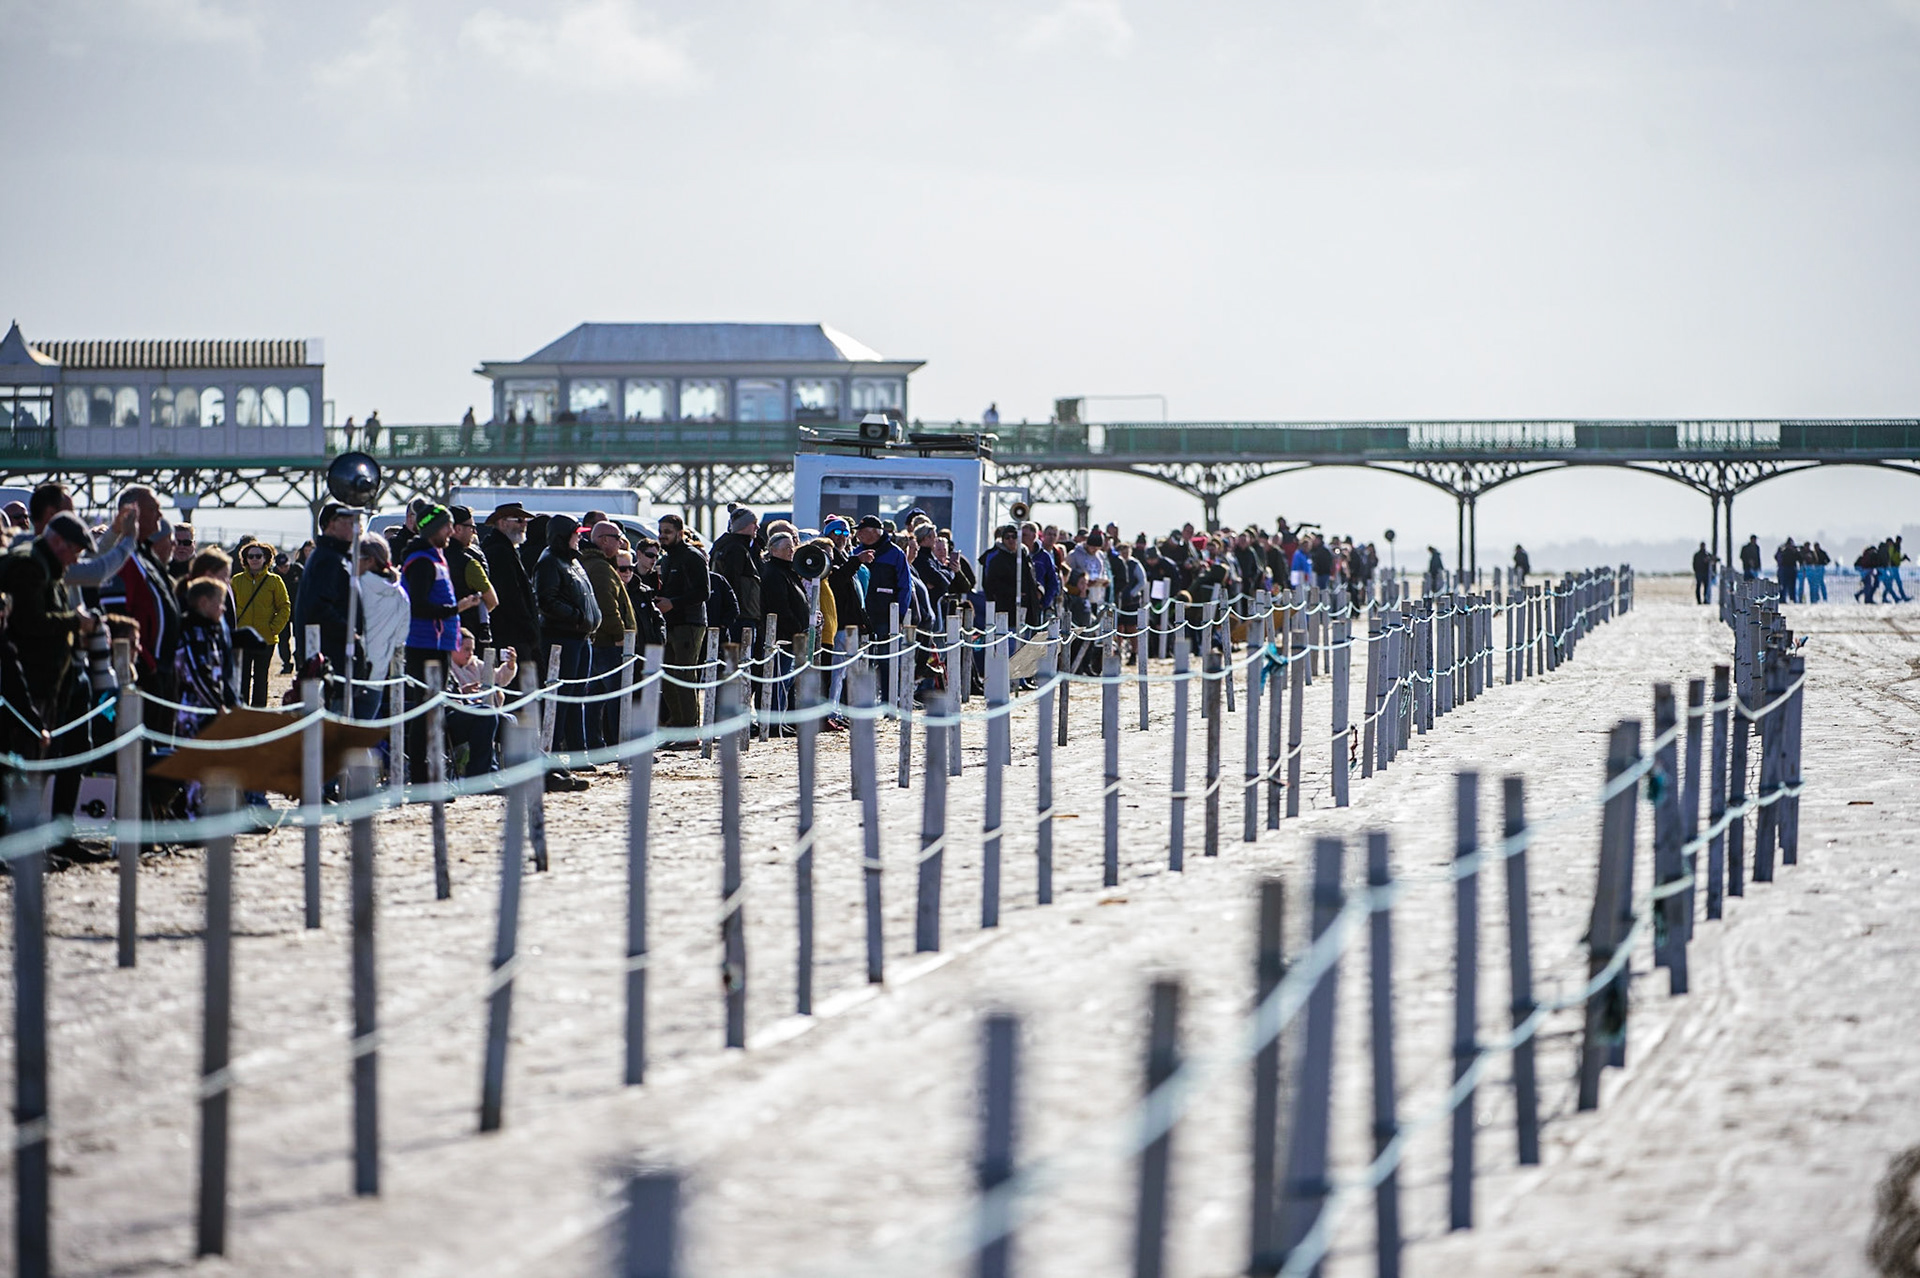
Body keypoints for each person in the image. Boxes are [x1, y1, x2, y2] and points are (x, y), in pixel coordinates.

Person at [401, 505, 482, 780]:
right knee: (425, 714)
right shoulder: (422, 560)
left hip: (439, 645)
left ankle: (432, 774)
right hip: (425, 646)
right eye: (447, 526)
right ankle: (422, 777)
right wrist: (455, 609)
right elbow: (418, 605)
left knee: (434, 713)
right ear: (435, 529)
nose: (452, 531)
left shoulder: (437, 557)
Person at [534, 514, 601, 758]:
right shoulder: (550, 562)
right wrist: (577, 616)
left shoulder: (572, 560)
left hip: (580, 639)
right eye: (576, 533)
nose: (580, 537)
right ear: (564, 535)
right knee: (562, 699)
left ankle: (577, 752)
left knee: (577, 697)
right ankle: (553, 753)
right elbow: (546, 600)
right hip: (561, 639)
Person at [293, 502, 359, 698]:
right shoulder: (328, 559)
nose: (354, 527)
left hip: (333, 653)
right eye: (348, 521)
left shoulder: (333, 556)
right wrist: (350, 633)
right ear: (331, 524)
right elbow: (318, 607)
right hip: (331, 657)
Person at [581, 520, 638, 749]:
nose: (621, 542)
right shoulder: (601, 568)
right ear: (604, 540)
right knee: (616, 696)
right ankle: (619, 744)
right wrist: (620, 634)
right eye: (616, 538)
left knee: (595, 698)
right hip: (609, 643)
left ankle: (595, 742)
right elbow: (607, 606)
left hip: (599, 642)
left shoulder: (593, 563)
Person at [653, 514, 709, 737]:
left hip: (689, 623)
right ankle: (676, 723)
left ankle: (689, 729)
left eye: (667, 532)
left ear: (680, 532)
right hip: (670, 623)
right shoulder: (665, 559)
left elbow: (703, 592)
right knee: (668, 676)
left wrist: (673, 604)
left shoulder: (692, 557)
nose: (662, 536)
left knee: (685, 676)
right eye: (661, 531)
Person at [446, 627, 516, 776]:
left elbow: (498, 677)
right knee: (486, 715)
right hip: (453, 714)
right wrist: (463, 692)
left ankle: (520, 774)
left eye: (472, 649)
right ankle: (481, 775)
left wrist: (509, 666)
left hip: (476, 710)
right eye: (466, 649)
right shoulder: (445, 666)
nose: (470, 653)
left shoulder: (476, 665)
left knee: (509, 720)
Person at [355, 535, 411, 720]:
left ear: (369, 561)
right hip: (377, 673)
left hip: (350, 669)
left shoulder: (357, 585)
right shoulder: (400, 593)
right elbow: (400, 638)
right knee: (363, 736)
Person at [231, 541, 291, 706]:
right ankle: (241, 712)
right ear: (245, 559)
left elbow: (284, 606)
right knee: (241, 679)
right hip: (242, 639)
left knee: (261, 679)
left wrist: (274, 628)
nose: (255, 559)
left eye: (259, 556)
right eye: (251, 556)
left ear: (266, 558)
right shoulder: (236, 581)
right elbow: (229, 607)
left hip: (266, 639)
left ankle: (258, 713)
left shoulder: (274, 581)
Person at [446, 505, 498, 652]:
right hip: (468, 639)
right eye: (471, 527)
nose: (474, 532)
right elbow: (492, 600)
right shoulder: (469, 563)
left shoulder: (431, 557)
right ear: (457, 529)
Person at [710, 507, 764, 645]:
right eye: (754, 523)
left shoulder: (722, 545)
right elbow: (732, 582)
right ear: (744, 525)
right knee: (740, 658)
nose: (757, 526)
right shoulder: (737, 549)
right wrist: (732, 612)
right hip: (741, 615)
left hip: (732, 614)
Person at [275, 549, 304, 672]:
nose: (284, 569)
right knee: (283, 638)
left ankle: (300, 662)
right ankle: (286, 663)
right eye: (281, 567)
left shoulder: (297, 569)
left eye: (286, 566)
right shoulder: (274, 574)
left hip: (298, 608)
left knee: (299, 636)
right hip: (282, 609)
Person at [1774, 537, 1799, 602]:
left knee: (1792, 586)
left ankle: (1793, 599)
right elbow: (1777, 557)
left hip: (1792, 568)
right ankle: (1783, 600)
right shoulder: (1782, 549)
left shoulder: (1794, 550)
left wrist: (1795, 551)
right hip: (1784, 568)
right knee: (1783, 586)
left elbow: (1799, 558)